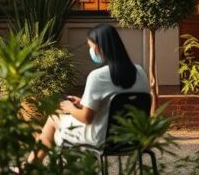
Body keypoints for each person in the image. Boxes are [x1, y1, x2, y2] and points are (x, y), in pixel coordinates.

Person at [28, 23, 149, 163]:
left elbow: (86, 118)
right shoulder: (140, 71)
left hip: (100, 139)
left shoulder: (98, 76)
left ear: (98, 47)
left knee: (53, 119)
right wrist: (82, 102)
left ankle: (27, 168)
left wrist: (70, 107)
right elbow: (116, 104)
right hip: (132, 139)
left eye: (90, 47)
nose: (91, 51)